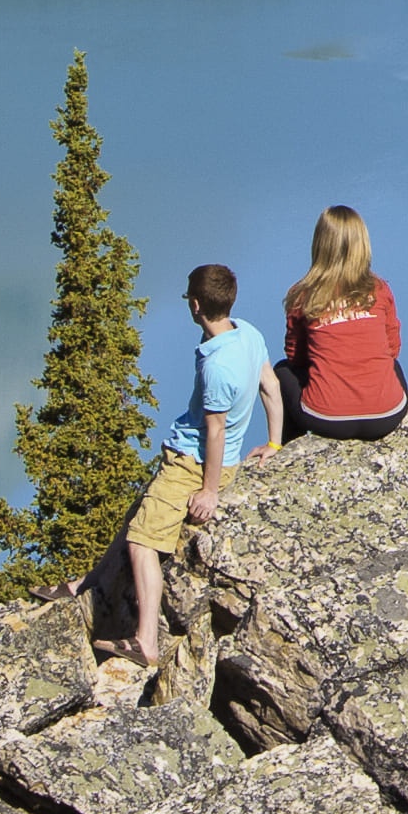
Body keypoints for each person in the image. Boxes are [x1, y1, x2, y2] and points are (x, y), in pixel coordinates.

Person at [121, 261, 279, 673]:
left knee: (141, 542)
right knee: (138, 517)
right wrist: (275, 442)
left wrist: (209, 491)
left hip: (192, 465)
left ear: (195, 305)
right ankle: (84, 586)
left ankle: (145, 642)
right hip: (207, 459)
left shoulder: (216, 366)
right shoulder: (248, 333)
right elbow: (271, 387)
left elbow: (215, 431)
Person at [280, 203, 408, 441]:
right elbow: (393, 349)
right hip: (387, 416)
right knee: (393, 365)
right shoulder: (379, 289)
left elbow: (294, 357)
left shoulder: (302, 295)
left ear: (320, 244)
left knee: (282, 371)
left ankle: (290, 450)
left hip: (327, 420)